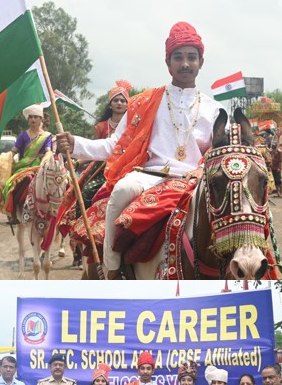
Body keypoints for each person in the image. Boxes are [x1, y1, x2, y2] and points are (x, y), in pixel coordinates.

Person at [55, 22, 221, 279]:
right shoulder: (145, 101)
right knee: (121, 191)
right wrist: (75, 144)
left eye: (191, 57)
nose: (185, 64)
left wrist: (203, 171)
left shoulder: (215, 109)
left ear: (201, 61)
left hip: (195, 180)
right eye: (178, 57)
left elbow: (221, 152)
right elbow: (114, 145)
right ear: (168, 62)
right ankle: (111, 269)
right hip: (150, 175)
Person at [57, 80, 132, 268]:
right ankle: (85, 233)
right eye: (116, 100)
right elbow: (98, 148)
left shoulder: (134, 123)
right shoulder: (101, 127)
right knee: (87, 190)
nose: (120, 103)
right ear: (110, 104)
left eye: (123, 100)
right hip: (102, 166)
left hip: (128, 165)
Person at [0, 104, 52, 221]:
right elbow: (13, 151)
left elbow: (48, 151)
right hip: (23, 167)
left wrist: (45, 162)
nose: (33, 119)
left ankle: (55, 210)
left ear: (41, 119)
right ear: (28, 120)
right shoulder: (23, 135)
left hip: (40, 166)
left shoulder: (47, 136)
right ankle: (14, 210)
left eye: (36, 117)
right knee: (12, 184)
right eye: (31, 117)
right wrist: (2, 159)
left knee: (59, 183)